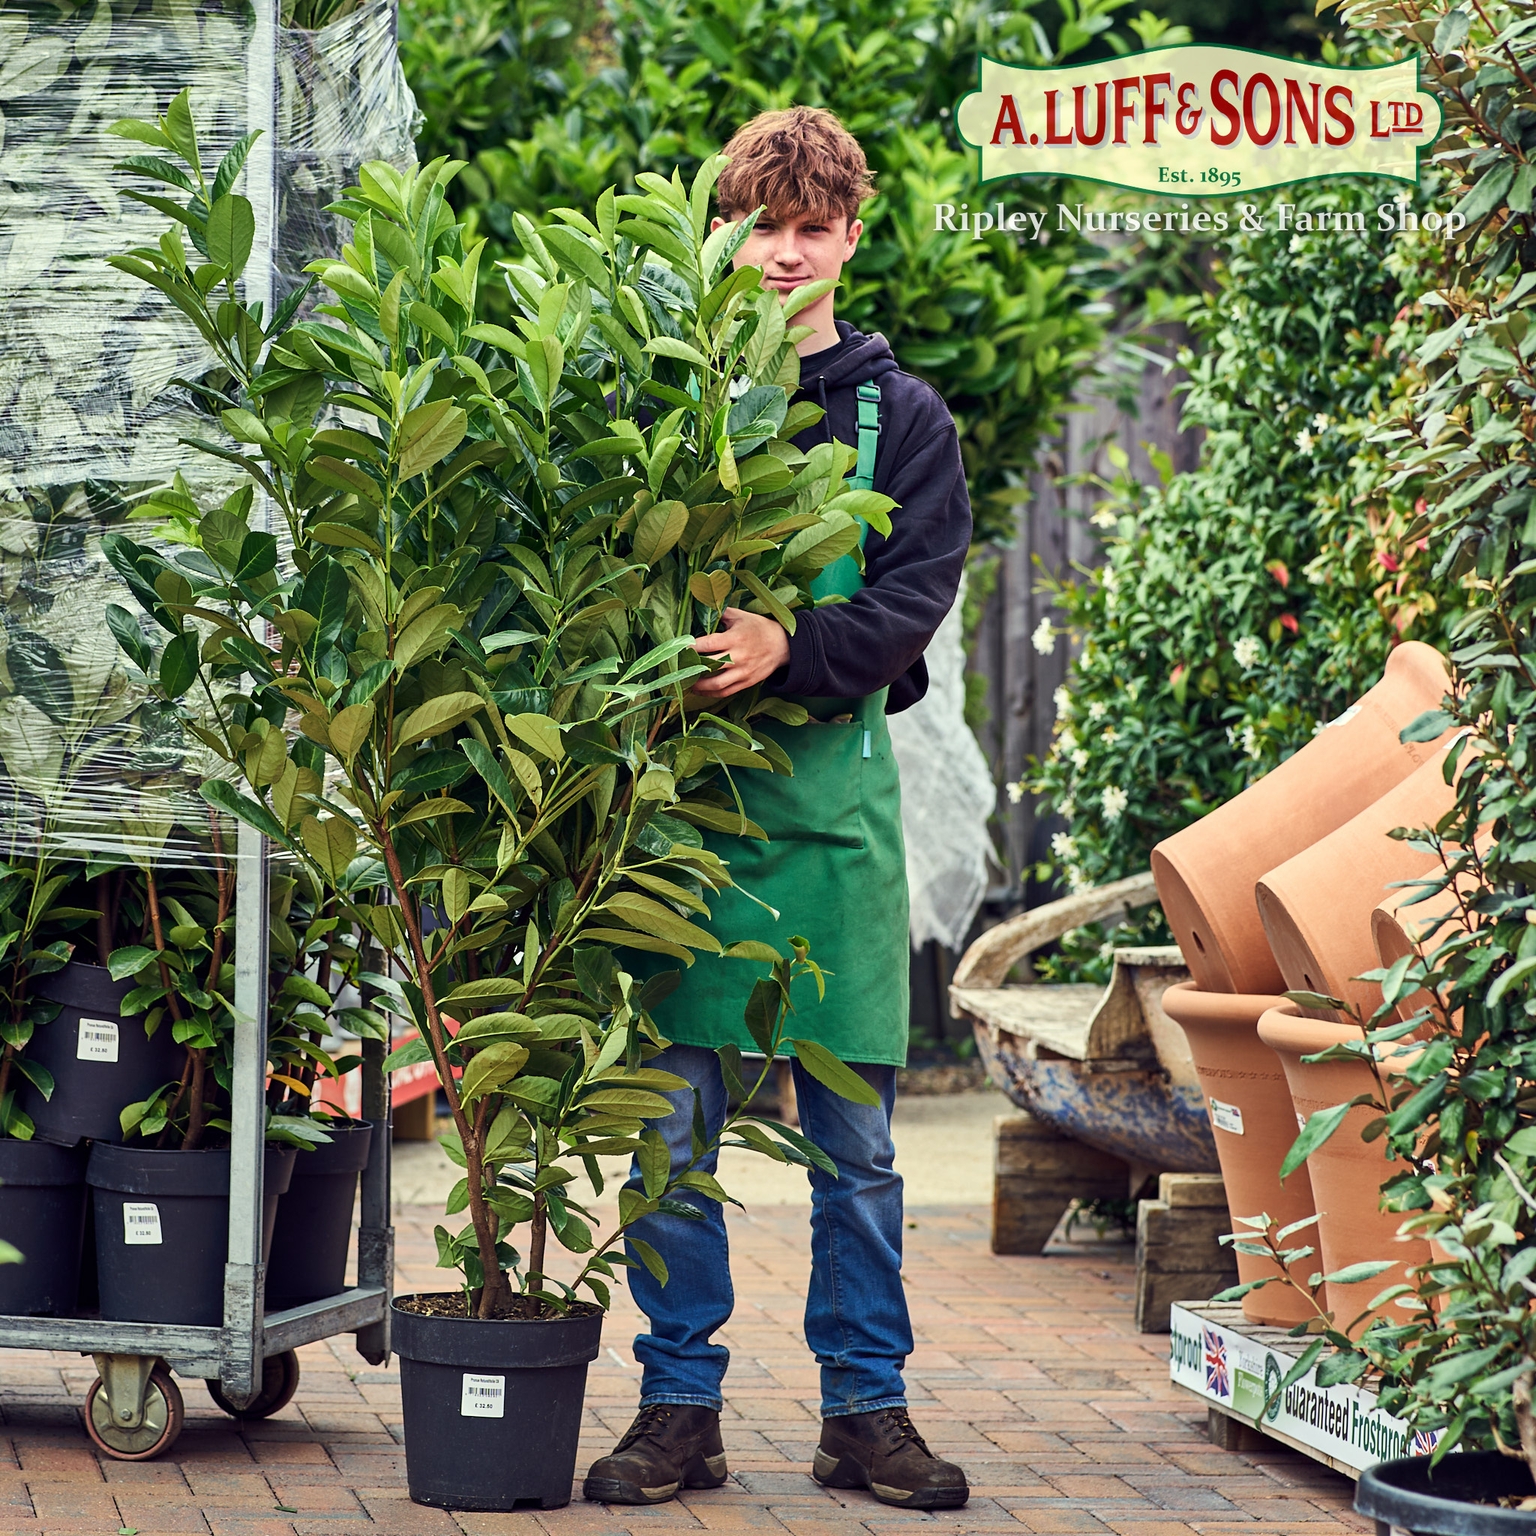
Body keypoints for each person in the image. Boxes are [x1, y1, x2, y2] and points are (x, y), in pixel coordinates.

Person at [583, 106, 973, 1511]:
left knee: (858, 1154)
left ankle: (866, 1415)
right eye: (762, 226)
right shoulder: (664, 401)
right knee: (671, 1137)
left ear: (850, 241)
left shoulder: (906, 419)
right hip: (690, 828)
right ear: (721, 231)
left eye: (813, 229)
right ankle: (677, 1410)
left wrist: (783, 653)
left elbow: (909, 608)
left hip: (835, 826)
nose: (784, 255)